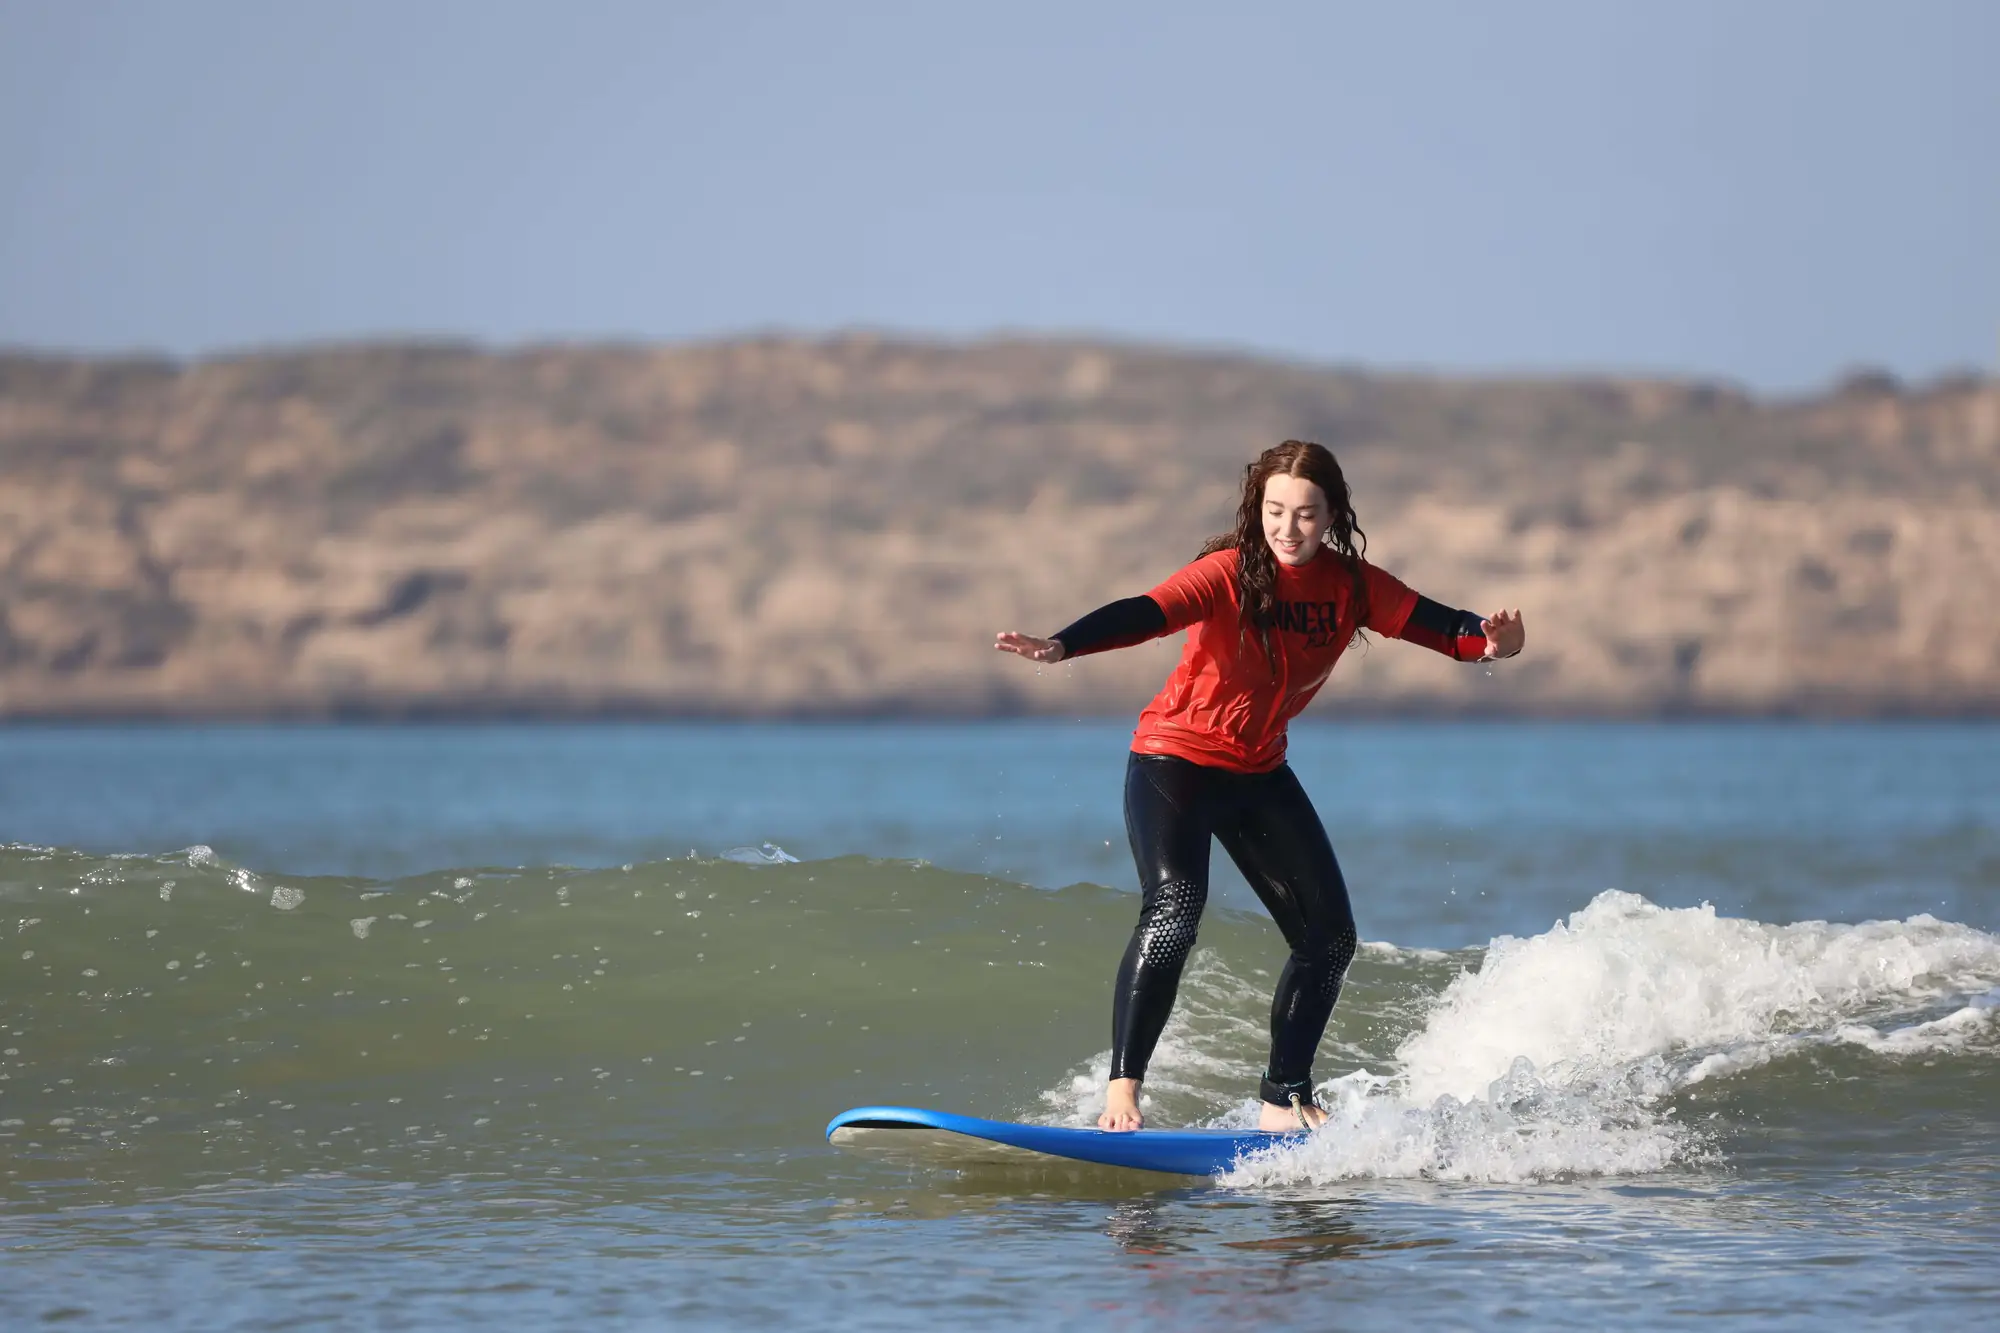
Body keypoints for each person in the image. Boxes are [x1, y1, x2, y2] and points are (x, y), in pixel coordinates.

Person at [995, 440, 1524, 1133]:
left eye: (1305, 514)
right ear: (1258, 508)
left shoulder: (1353, 585)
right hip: (1174, 760)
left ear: (1332, 514)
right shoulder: (1226, 574)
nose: (1288, 527)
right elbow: (1145, 611)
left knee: (1329, 937)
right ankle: (1122, 1091)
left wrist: (1493, 644)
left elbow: (1448, 629)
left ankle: (1283, 1097)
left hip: (1257, 770)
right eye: (1275, 510)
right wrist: (1064, 644)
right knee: (1176, 906)